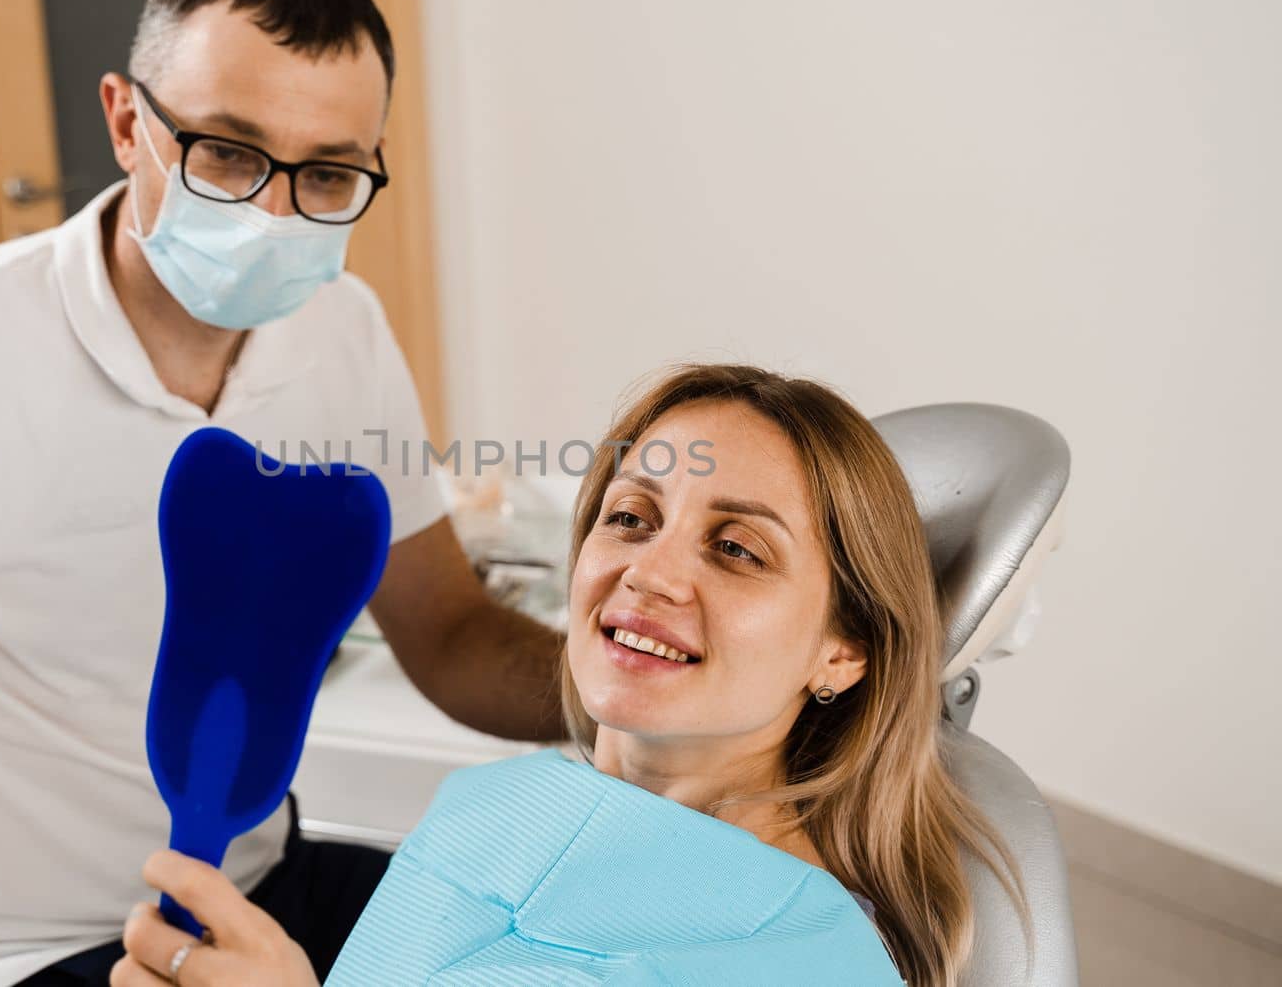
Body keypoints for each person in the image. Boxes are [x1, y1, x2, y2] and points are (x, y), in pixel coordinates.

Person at [0, 0, 565, 987]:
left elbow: (452, 633)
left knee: (554, 941)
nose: (272, 216)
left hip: (250, 880)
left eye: (327, 173)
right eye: (229, 152)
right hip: (15, 956)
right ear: (124, 123)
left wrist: (660, 694)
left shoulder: (342, 328)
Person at [112, 364, 1027, 987]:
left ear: (847, 649)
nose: (650, 571)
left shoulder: (797, 954)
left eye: (737, 548)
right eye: (630, 517)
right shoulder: (498, 805)